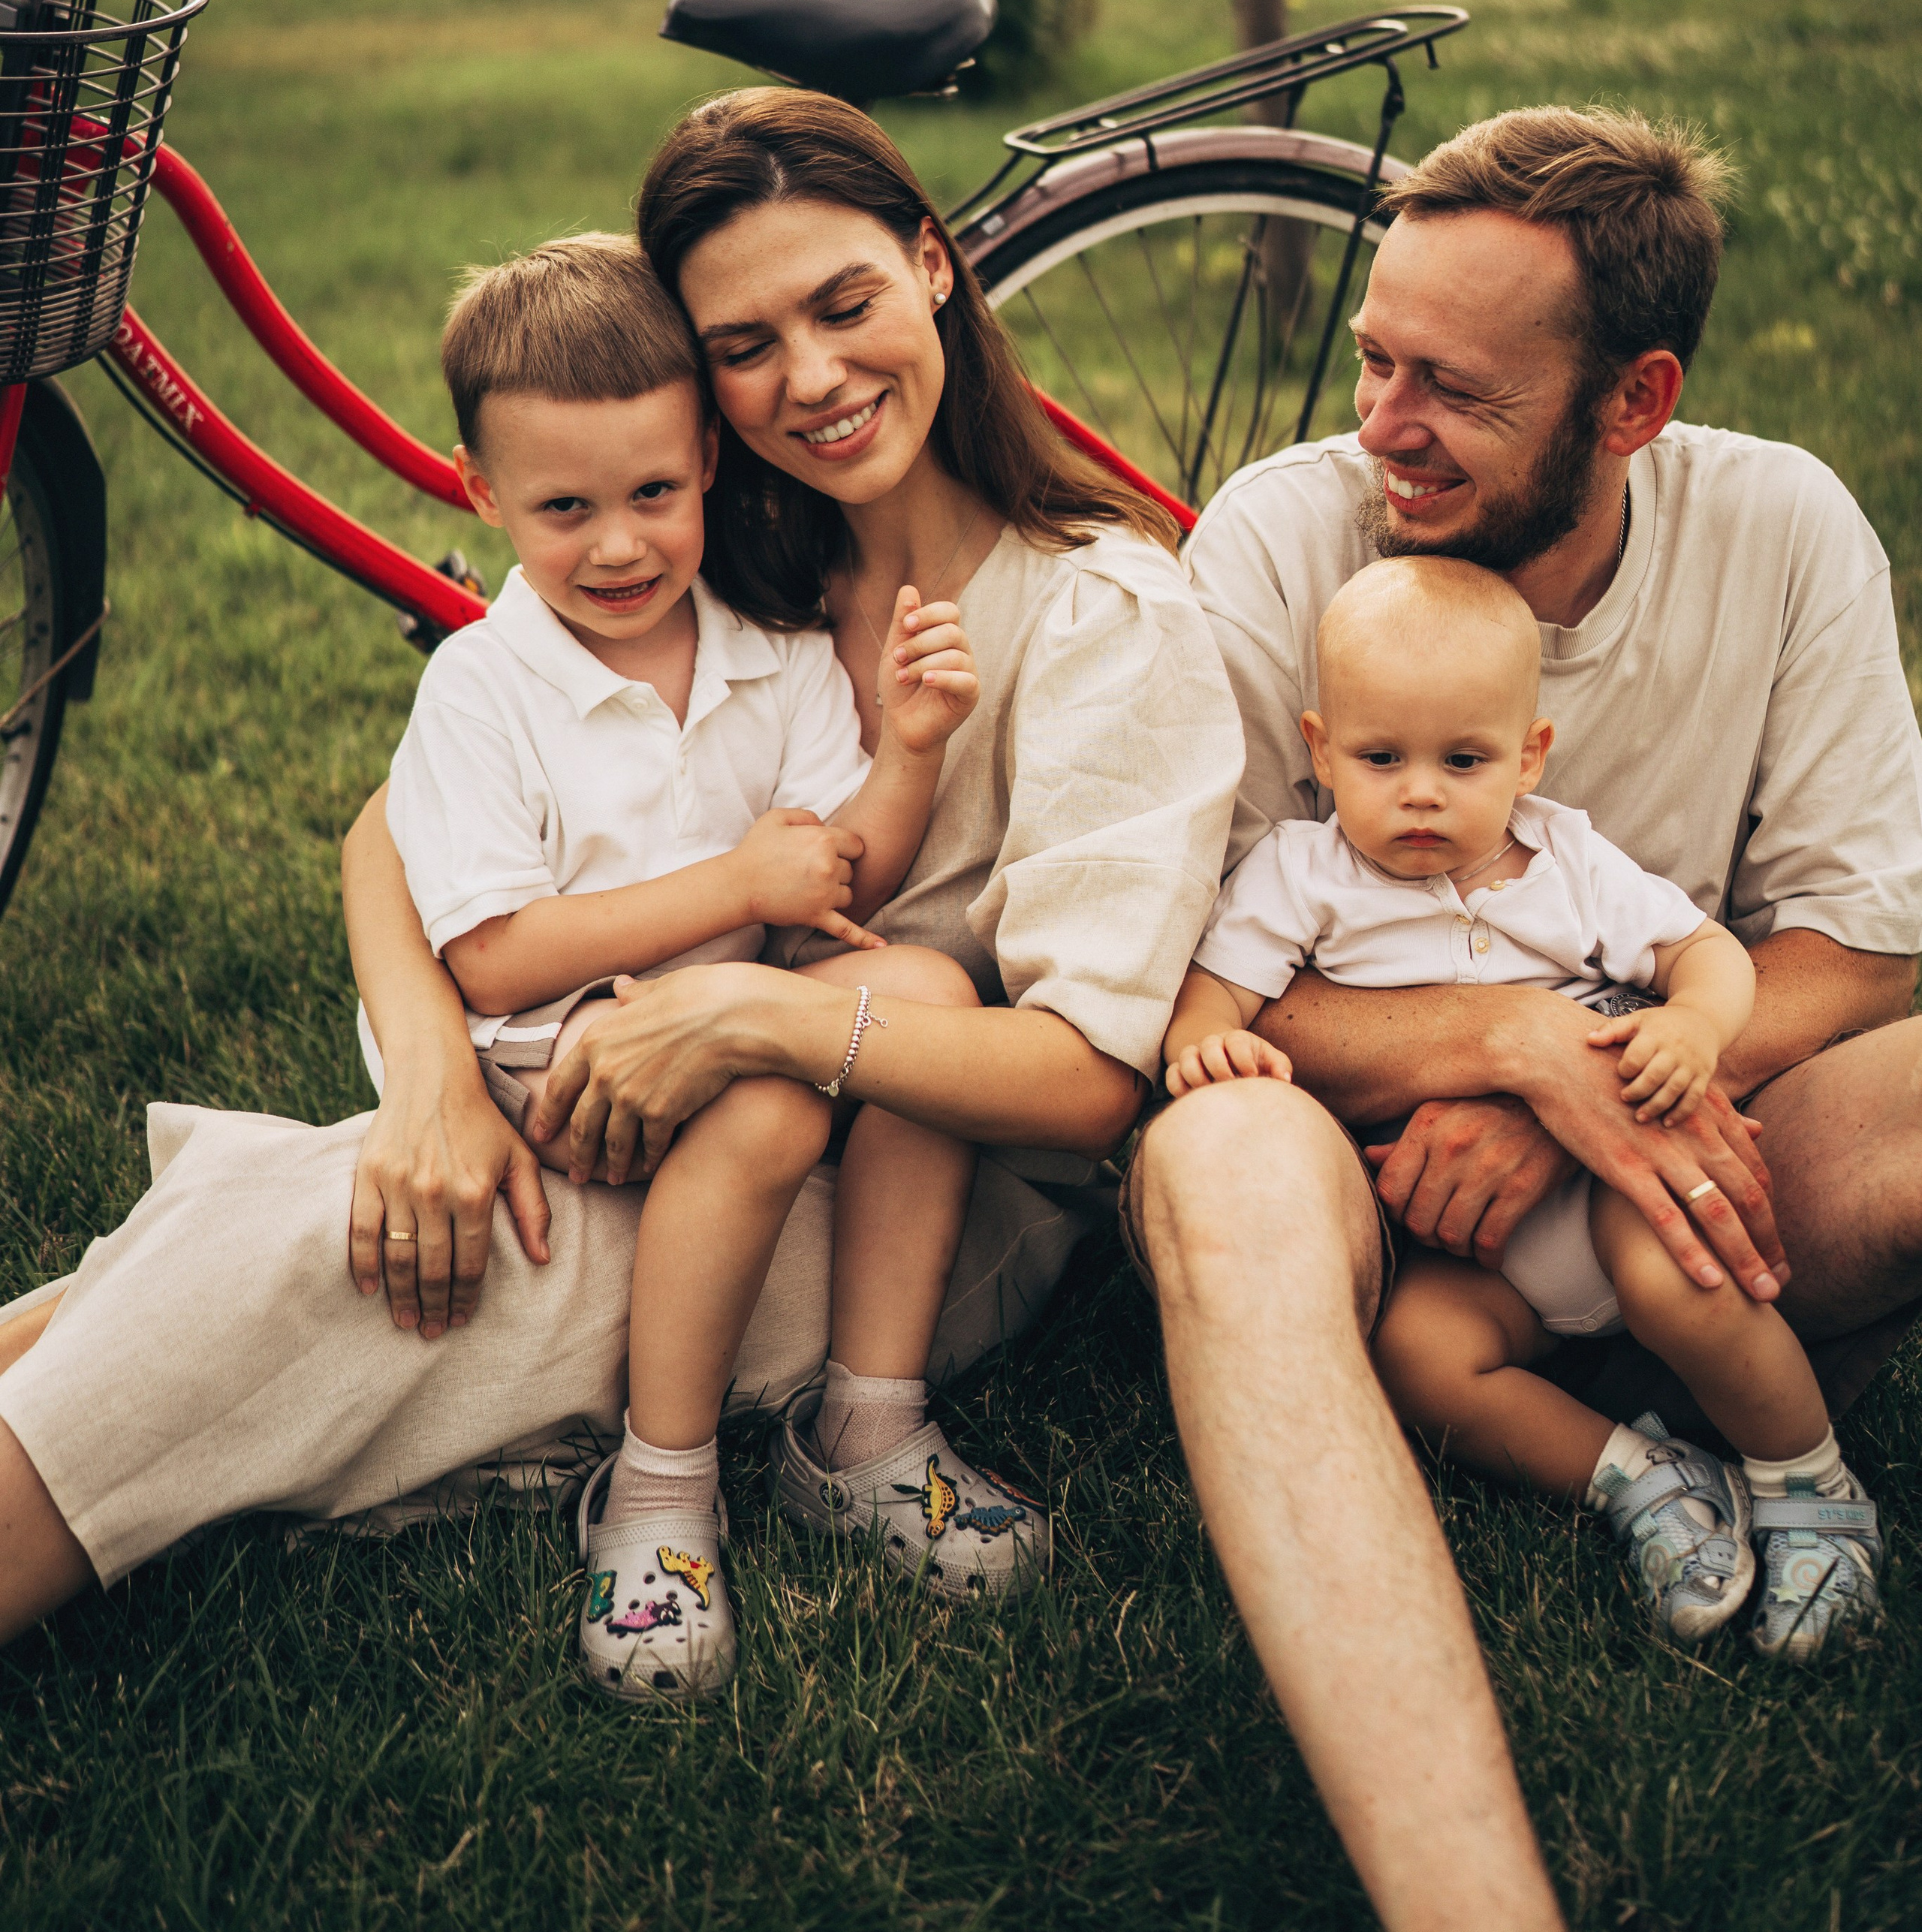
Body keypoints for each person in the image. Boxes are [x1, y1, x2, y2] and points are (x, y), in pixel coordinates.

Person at [0, 90, 1240, 1689]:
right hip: (640, 1095)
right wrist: (432, 1082)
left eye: (845, 303)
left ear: (933, 265)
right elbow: (391, 828)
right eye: (745, 344)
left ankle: (717, 1473)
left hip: (903, 1207)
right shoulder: (728, 558)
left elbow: (1087, 1083)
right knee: (287, 1230)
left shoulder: (1096, 619)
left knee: (305, 1276)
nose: (811, 377)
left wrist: (741, 1018)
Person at [1130, 104, 1919, 1932]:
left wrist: (1582, 1079)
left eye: (1452, 392)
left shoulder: (1775, 525)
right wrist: (1493, 1042)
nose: (1380, 427)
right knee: (1219, 1161)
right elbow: (1168, 976)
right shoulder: (1286, 537)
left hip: (1688, 1153)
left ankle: (1784, 1461)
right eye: (1372, 361)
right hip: (1377, 1214)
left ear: (1631, 402)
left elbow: (1867, 943)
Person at [390, 233, 1042, 1704]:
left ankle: (869, 1427)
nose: (618, 547)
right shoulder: (481, 688)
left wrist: (911, 749)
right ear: (478, 491)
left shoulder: (770, 651)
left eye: (653, 496)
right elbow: (491, 954)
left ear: (702, 462)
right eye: (564, 510)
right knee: (773, 1095)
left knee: (929, 1002)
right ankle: (659, 1490)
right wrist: (734, 894)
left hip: (727, 1018)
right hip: (556, 1060)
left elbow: (833, 879)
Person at [1170, 557, 1882, 1663]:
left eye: (1463, 761)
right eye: (1380, 759)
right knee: (1417, 1359)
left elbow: (1703, 952)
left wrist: (1695, 1026)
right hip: (1466, 1250)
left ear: (1529, 755)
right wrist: (1208, 1044)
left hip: (1605, 1183)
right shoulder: (1301, 876)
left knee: (1682, 1280)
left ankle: (1807, 1483)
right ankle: (1641, 1480)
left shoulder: (1569, 861)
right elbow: (1214, 998)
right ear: (1320, 748)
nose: (1420, 793)